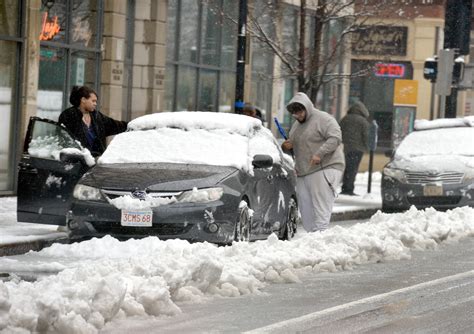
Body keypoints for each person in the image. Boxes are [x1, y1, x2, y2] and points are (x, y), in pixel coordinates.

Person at [281, 92, 345, 233]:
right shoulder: (296, 126)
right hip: (304, 171)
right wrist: (286, 146)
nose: (298, 116)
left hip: (325, 166)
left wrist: (319, 154)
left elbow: (335, 138)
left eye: (300, 112)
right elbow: (295, 145)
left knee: (321, 204)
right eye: (295, 114)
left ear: (307, 107)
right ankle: (312, 236)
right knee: (305, 208)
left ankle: (321, 235)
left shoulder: (323, 119)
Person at [58, 86, 128, 156]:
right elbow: (64, 139)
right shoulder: (69, 115)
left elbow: (115, 125)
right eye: (93, 101)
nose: (95, 104)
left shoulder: (96, 116)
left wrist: (131, 125)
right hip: (77, 160)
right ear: (83, 99)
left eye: (96, 101)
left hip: (97, 160)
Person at [339, 101, 371, 196]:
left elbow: (339, 130)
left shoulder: (345, 119)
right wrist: (367, 147)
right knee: (353, 169)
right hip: (358, 149)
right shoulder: (363, 121)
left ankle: (345, 187)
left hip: (347, 148)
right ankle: (349, 189)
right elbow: (366, 135)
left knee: (348, 168)